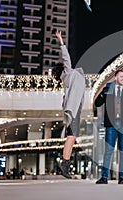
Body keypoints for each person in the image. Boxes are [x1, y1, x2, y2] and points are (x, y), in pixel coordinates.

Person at [94, 69, 123, 184]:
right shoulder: (108, 90)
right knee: (109, 150)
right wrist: (102, 93)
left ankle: (121, 177)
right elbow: (97, 103)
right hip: (111, 123)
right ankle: (104, 177)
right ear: (115, 78)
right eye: (121, 77)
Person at [52, 30, 86, 179]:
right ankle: (65, 163)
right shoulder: (69, 73)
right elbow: (66, 57)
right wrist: (60, 40)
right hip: (73, 111)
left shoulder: (68, 81)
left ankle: (65, 163)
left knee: (72, 137)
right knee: (72, 137)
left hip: (73, 110)